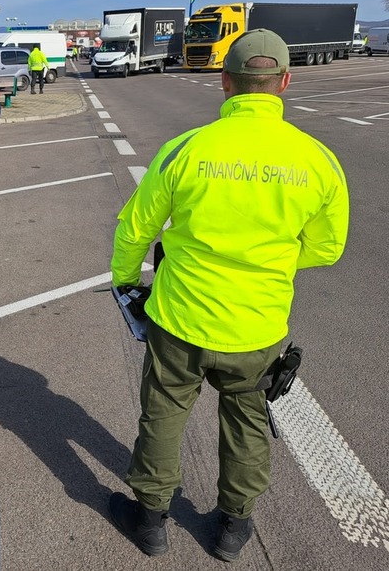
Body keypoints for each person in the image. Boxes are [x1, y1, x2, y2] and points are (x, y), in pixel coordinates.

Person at [108, 29, 349, 561]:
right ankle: (233, 528)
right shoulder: (318, 160)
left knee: (165, 414)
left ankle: (150, 519)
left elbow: (134, 229)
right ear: (284, 83)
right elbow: (327, 249)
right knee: (247, 422)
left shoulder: (186, 149)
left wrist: (126, 283)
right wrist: (271, 261)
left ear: (226, 83)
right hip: (258, 328)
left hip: (180, 318)